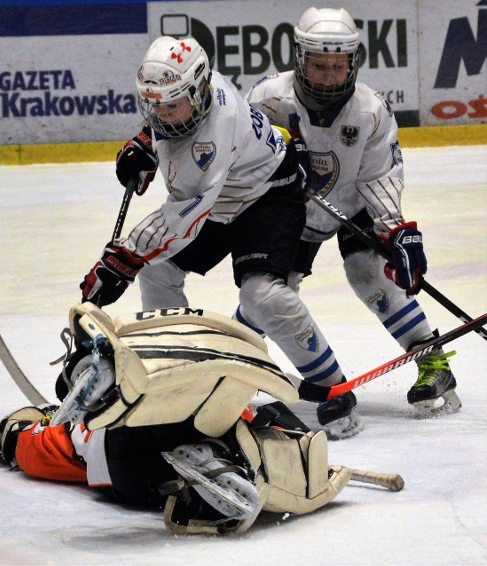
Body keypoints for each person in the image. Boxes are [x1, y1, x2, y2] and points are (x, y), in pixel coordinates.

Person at [78, 35, 362, 439]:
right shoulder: (196, 91)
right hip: (222, 195)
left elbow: (183, 218)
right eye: (152, 104)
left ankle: (334, 389)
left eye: (170, 105)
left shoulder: (209, 141)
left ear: (197, 92)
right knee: (158, 272)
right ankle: (176, 371)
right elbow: (167, 123)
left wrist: (122, 260)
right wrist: (146, 141)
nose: (160, 113)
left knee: (262, 296)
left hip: (268, 196)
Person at [0, 303, 386, 535]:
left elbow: (30, 447)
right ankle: (258, 453)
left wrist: (14, 436)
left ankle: (220, 468)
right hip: (201, 412)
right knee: (257, 419)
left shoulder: (58, 435)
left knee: (151, 459)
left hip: (128, 455)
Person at [240, 6, 459, 417]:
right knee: (268, 291)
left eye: (337, 67)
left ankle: (433, 361)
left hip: (351, 204)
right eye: (319, 65)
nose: (327, 76)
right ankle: (234, 359)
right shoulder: (267, 98)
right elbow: (243, 158)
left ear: (353, 63)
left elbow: (380, 177)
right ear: (300, 59)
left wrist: (397, 233)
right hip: (289, 212)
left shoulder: (371, 111)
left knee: (368, 272)